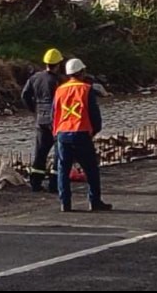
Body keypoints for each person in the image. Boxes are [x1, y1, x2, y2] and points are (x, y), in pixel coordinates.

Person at [52, 57, 111, 212]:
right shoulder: (86, 89)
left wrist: (56, 133)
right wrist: (94, 130)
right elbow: (94, 113)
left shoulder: (59, 90)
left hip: (63, 133)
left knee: (63, 170)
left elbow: (55, 113)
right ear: (81, 72)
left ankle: (65, 203)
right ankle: (94, 201)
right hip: (81, 132)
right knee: (91, 169)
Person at [21, 47, 65, 193]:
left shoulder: (35, 78)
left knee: (40, 152)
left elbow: (24, 95)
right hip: (56, 120)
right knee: (59, 153)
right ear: (58, 64)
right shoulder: (58, 81)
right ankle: (54, 184)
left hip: (40, 119)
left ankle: (35, 182)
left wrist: (34, 109)